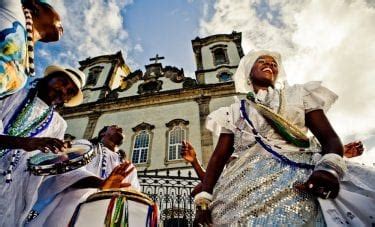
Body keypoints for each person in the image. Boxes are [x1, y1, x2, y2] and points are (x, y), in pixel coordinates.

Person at [192, 50, 368, 226]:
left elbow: (329, 139)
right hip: (239, 188)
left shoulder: (299, 94)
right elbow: (218, 157)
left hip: (297, 179)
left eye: (274, 64)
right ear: (248, 72)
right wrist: (203, 202)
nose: (270, 64)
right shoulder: (233, 112)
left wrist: (329, 170)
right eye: (262, 61)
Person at [26, 125, 141, 227]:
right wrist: (103, 184)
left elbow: (133, 193)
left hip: (108, 217)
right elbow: (67, 171)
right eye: (114, 127)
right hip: (71, 211)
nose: (120, 129)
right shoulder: (85, 146)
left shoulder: (128, 166)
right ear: (102, 133)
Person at [0, 0, 63, 98]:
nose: (62, 27)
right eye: (60, 21)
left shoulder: (26, 69)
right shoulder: (13, 7)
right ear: (36, 6)